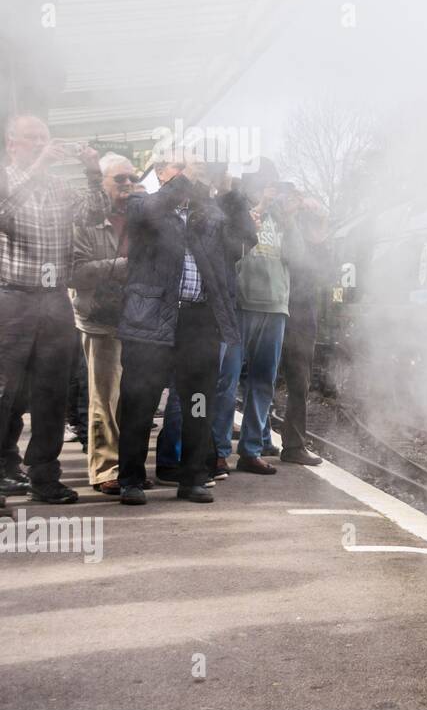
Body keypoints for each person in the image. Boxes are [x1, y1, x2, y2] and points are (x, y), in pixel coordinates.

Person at [114, 150, 252, 505]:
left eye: (200, 169)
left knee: (198, 402)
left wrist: (232, 193)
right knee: (139, 402)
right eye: (189, 168)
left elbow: (243, 240)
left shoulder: (209, 215)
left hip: (199, 321)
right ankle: (130, 478)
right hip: (152, 319)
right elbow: (146, 214)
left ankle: (192, 478)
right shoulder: (143, 204)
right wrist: (185, 182)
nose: (198, 174)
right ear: (163, 173)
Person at [0, 115, 102, 506]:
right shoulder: (8, 180)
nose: (41, 145)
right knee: (5, 390)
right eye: (32, 139)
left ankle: (44, 476)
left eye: (45, 139)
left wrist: (92, 170)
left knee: (51, 393)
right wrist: (39, 166)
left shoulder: (60, 187)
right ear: (13, 144)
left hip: (54, 297)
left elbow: (94, 214)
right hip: (12, 297)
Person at [210, 159, 296, 477]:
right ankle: (218, 451)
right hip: (241, 305)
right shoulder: (237, 212)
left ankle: (251, 450)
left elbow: (299, 257)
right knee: (227, 381)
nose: (269, 188)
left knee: (263, 382)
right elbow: (228, 251)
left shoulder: (283, 218)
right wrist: (257, 207)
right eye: (263, 182)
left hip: (276, 306)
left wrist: (291, 219)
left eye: (272, 183)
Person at [69, 153, 138, 494]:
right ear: (102, 183)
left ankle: (126, 466)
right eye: (119, 179)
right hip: (99, 317)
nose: (128, 185)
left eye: (131, 178)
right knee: (104, 397)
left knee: (131, 397)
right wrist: (125, 265)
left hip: (135, 318)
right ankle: (104, 470)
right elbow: (76, 271)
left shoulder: (140, 220)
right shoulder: (86, 221)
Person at [277, 185, 328, 466]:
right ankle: (259, 439)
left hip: (301, 313)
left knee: (299, 382)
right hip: (277, 307)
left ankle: (294, 444)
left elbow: (324, 272)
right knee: (259, 379)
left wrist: (321, 229)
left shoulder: (314, 238)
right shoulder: (282, 227)